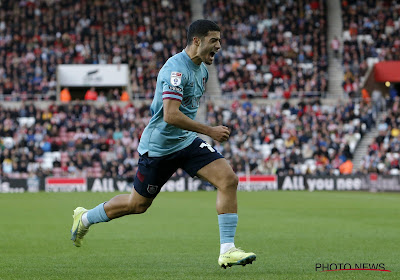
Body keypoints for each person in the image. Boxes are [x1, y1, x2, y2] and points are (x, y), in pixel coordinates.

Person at [70, 19, 256, 269]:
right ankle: (85, 218)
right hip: (159, 148)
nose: (219, 46)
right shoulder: (175, 70)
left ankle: (227, 250)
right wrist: (209, 130)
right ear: (197, 41)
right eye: (214, 40)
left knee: (228, 180)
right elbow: (170, 115)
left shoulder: (202, 69)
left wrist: (200, 133)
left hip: (186, 141)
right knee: (136, 205)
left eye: (219, 40)